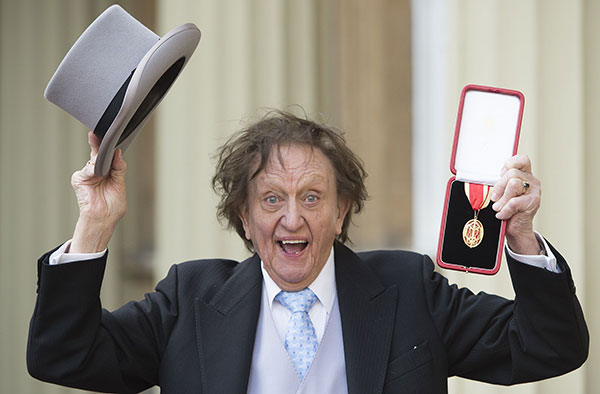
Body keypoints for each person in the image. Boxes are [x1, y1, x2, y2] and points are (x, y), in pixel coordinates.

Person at [27, 111, 588, 394]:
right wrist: (94, 226)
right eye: (271, 198)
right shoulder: (188, 299)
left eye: (312, 197)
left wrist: (521, 239)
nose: (291, 218)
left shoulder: (410, 288)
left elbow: (549, 347)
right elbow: (63, 356)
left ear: (341, 211)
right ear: (244, 218)